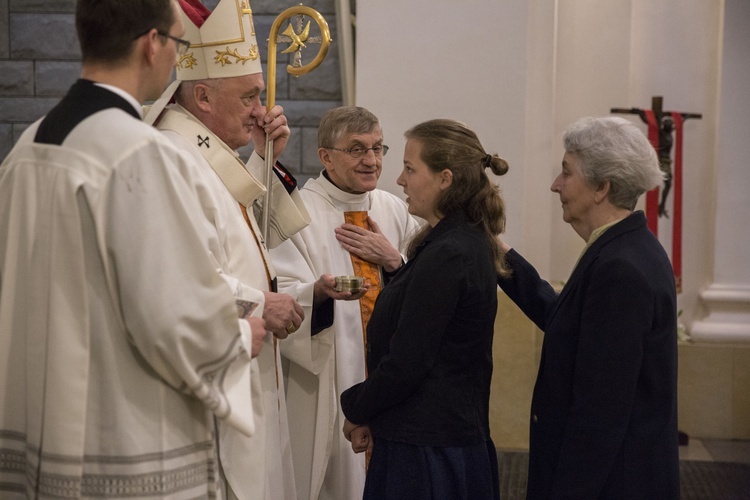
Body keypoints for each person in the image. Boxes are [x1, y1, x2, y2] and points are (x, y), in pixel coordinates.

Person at [0, 0, 267, 497]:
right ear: (153, 45)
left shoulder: (28, 147)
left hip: (40, 424)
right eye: (178, 44)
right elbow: (171, 312)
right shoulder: (140, 153)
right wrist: (237, 335)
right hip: (120, 444)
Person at [146, 0, 309, 498]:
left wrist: (263, 159)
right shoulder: (172, 159)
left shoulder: (209, 156)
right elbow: (176, 275)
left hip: (248, 366)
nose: (263, 110)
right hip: (216, 371)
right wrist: (264, 303)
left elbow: (250, 242)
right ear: (202, 96)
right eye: (250, 97)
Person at [497, 116, 679, 498]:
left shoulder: (620, 268)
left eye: (566, 172)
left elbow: (599, 413)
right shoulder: (624, 247)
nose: (555, 185)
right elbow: (565, 320)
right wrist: (499, 254)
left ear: (601, 188)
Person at [339, 118, 510, 499]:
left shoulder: (449, 253)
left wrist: (356, 408)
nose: (400, 179)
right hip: (436, 437)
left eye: (410, 168)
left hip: (428, 452)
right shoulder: (455, 241)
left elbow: (408, 362)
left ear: (445, 178)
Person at [270, 106, 421, 500]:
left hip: (392, 382)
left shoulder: (395, 209)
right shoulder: (298, 213)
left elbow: (429, 288)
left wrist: (395, 261)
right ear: (326, 157)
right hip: (331, 379)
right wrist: (316, 293)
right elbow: (278, 292)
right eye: (356, 149)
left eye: (377, 148)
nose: (371, 161)